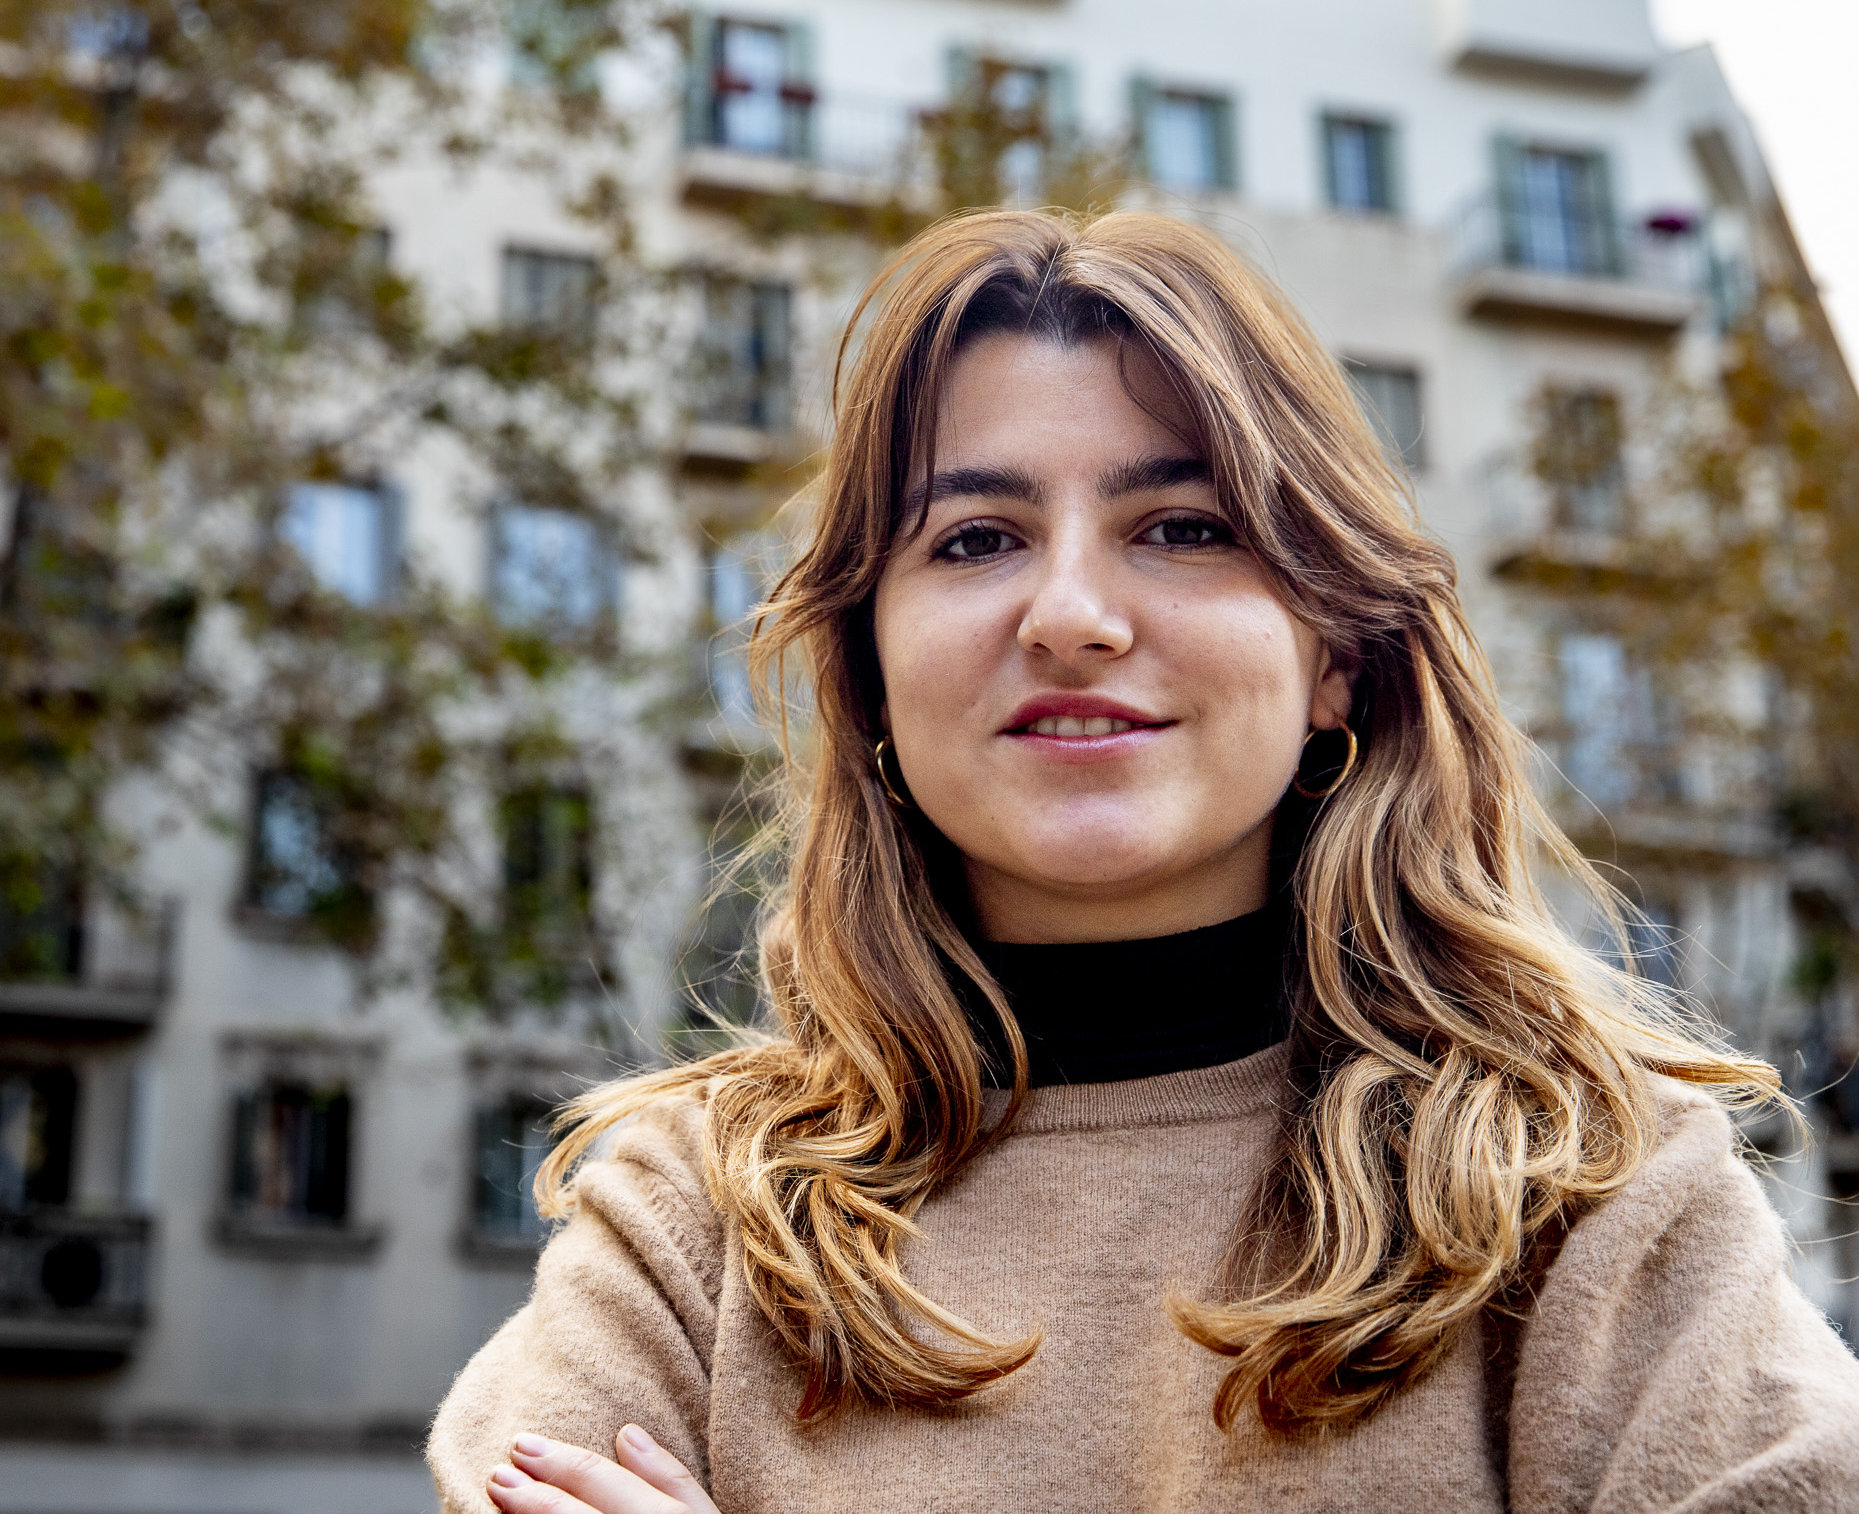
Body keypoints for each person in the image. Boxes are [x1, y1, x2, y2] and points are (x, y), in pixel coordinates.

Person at [426, 210, 1859, 1513]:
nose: (1070, 613)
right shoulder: (690, 1228)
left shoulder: (1596, 1202)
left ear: (1338, 661)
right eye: (978, 538)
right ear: (872, 671)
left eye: (1181, 528)